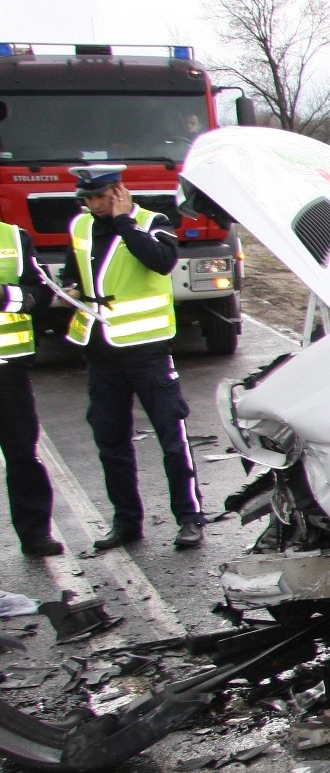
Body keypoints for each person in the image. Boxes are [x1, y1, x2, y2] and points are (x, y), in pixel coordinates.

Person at [61, 164, 205, 550]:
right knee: (111, 441)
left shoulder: (151, 220)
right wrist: (71, 290)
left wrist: (125, 224)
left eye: (98, 198)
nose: (91, 205)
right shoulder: (80, 227)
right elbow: (76, 273)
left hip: (148, 350)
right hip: (101, 353)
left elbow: (161, 261)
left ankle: (190, 518)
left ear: (118, 193)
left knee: (172, 437)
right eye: (86, 199)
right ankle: (126, 522)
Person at [0, 223, 63, 557]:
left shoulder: (13, 238)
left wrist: (6, 297)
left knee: (23, 452)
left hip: (8, 368)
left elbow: (43, 293)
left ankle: (35, 533)